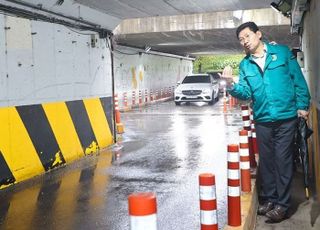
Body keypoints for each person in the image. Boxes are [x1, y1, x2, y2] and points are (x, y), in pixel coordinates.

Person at [222, 21, 310, 223]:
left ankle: (283, 205)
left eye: (247, 36)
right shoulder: (245, 64)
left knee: (283, 161)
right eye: (241, 39)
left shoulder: (281, 53)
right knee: (268, 163)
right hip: (262, 119)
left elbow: (298, 80)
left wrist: (303, 105)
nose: (244, 41)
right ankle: (270, 199)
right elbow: (245, 93)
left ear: (258, 34)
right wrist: (231, 85)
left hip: (286, 118)